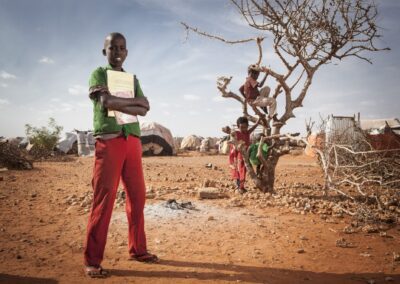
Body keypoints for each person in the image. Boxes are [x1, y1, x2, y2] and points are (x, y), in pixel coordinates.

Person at [84, 32, 158, 278]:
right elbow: (105, 102)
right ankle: (92, 260)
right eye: (112, 48)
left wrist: (122, 102)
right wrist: (130, 103)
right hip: (109, 140)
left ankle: (137, 249)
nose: (117, 52)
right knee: (104, 199)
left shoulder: (132, 78)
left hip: (133, 141)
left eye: (121, 48)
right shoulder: (98, 74)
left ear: (127, 52)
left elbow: (145, 108)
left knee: (137, 197)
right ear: (104, 51)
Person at [222, 116, 260, 193]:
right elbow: (230, 132)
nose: (243, 129)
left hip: (245, 155)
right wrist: (227, 129)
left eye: (245, 127)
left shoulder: (248, 132)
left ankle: (241, 187)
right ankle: (239, 187)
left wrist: (258, 120)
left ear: (247, 126)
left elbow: (254, 127)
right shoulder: (237, 133)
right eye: (241, 127)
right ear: (238, 127)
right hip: (237, 156)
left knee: (244, 170)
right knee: (238, 171)